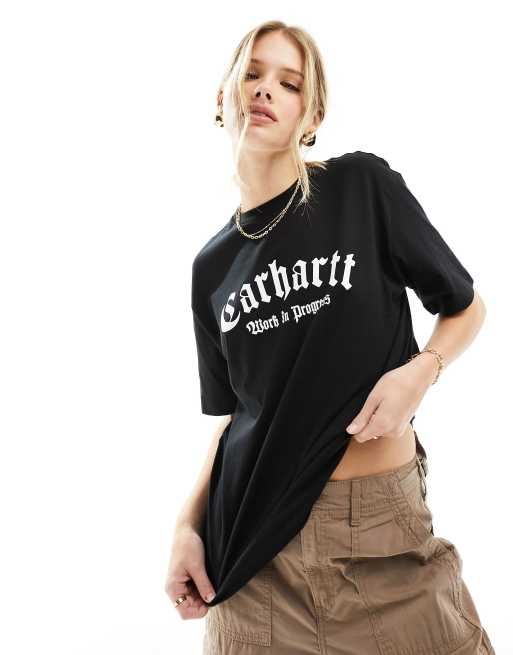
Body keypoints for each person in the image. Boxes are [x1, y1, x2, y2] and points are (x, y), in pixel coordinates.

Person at [165, 20, 496, 654]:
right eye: (251, 74)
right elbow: (235, 417)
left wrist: (422, 370)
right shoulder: (211, 267)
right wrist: (186, 525)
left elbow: (466, 307)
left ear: (311, 115)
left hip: (381, 536)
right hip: (254, 562)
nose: (265, 90)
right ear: (222, 98)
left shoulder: (359, 188)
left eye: (289, 84)